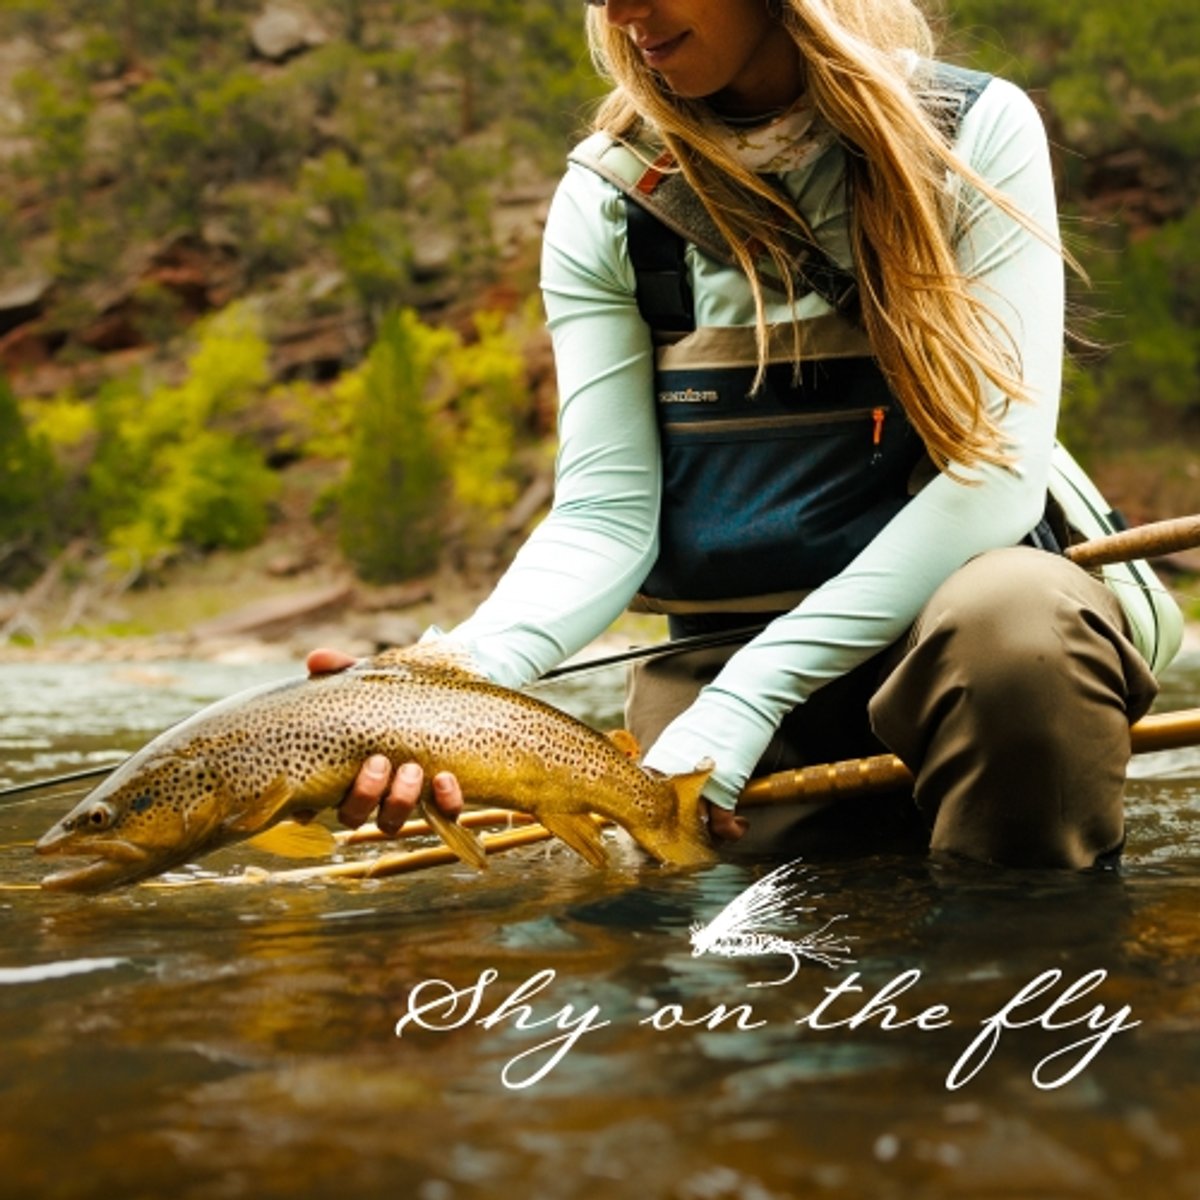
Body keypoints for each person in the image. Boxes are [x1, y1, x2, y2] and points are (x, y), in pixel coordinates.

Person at [312, 0, 1170, 868]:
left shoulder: (972, 133)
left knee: (1018, 629)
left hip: (958, 654)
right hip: (719, 663)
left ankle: (1026, 976)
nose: (617, 9)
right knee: (746, 965)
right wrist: (450, 677)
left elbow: (996, 475)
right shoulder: (613, 200)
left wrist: (752, 694)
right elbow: (605, 520)